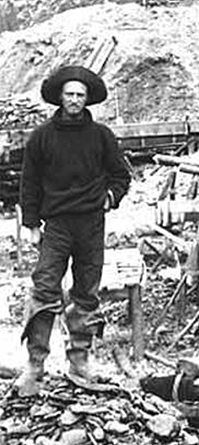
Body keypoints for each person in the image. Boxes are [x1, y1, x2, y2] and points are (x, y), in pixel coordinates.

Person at [15, 65, 131, 397]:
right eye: (70, 94)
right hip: (57, 225)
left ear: (87, 99)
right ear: (60, 97)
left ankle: (79, 362)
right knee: (44, 288)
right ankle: (35, 364)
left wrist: (110, 198)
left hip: (92, 224)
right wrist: (32, 224)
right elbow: (30, 183)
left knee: (86, 292)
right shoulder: (42, 137)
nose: (75, 100)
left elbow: (120, 176)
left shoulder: (102, 136)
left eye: (81, 95)